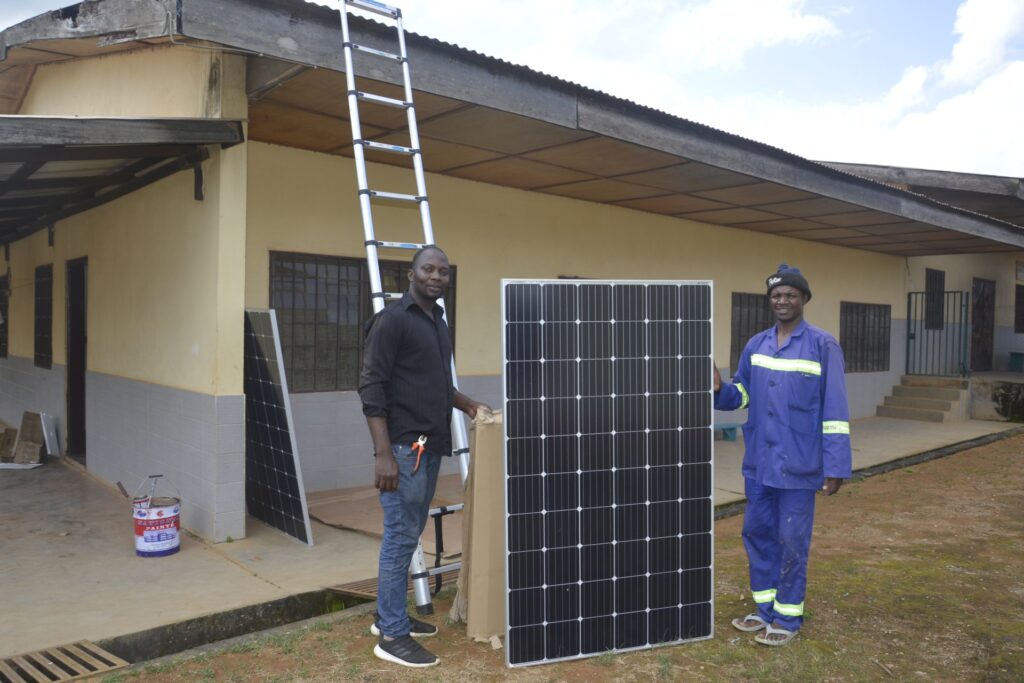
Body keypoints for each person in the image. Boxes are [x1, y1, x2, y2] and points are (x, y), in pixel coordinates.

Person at [358, 245, 489, 668]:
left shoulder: (437, 322)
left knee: (407, 535)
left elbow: (434, 384)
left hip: (428, 448)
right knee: (399, 537)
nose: (436, 276)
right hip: (401, 449)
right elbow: (371, 387)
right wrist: (383, 454)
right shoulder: (393, 320)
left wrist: (469, 405)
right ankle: (392, 636)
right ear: (411, 274)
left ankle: (388, 616)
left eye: (444, 271)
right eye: (428, 269)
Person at [713, 264, 851, 647]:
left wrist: (836, 465)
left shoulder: (823, 345)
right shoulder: (756, 345)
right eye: (776, 295)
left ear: (804, 299)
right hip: (759, 463)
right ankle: (763, 610)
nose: (783, 301)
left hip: (799, 465)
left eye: (790, 294)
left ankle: (788, 618)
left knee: (791, 539)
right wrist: (719, 387)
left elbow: (835, 409)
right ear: (769, 301)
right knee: (757, 533)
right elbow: (742, 394)